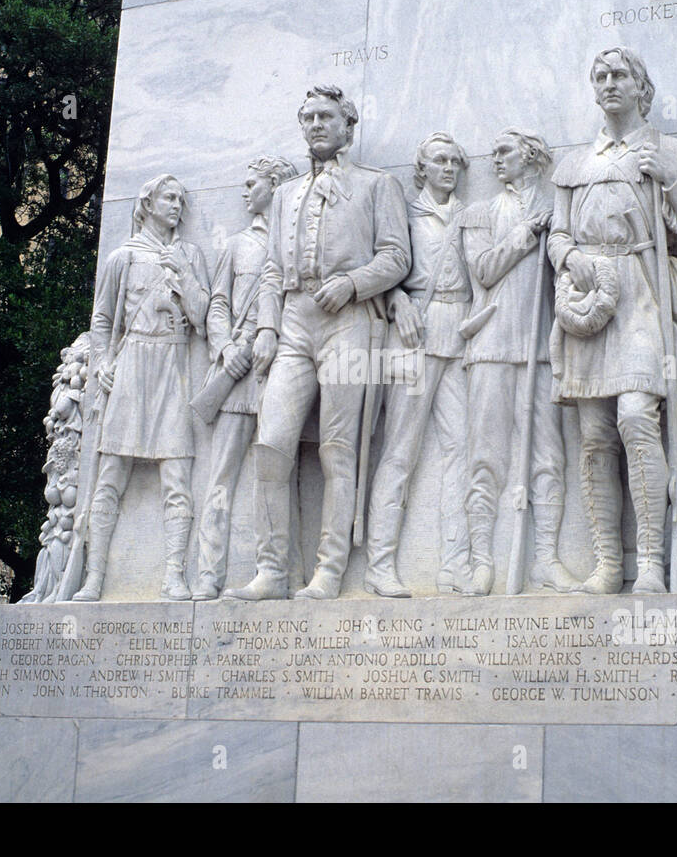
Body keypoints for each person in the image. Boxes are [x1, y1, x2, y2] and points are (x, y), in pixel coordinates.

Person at [224, 85, 410, 601]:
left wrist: (353, 282)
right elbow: (271, 270)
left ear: (348, 124)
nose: (315, 125)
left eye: (325, 116)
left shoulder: (378, 185)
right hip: (294, 323)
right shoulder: (285, 195)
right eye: (307, 117)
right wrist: (266, 326)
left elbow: (396, 257)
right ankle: (271, 569)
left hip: (349, 321)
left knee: (338, 448)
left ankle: (328, 570)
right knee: (272, 443)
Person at [547, 46, 677, 595]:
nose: (609, 83)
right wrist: (571, 260)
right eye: (600, 76)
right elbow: (558, 233)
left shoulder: (674, 153)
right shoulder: (576, 163)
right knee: (594, 435)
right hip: (589, 292)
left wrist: (667, 181)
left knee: (637, 418)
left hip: (644, 291)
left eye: (620, 75)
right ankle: (604, 564)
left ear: (642, 86)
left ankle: (652, 561)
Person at [75, 174, 209, 602]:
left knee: (177, 476)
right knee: (110, 476)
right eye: (169, 198)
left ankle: (174, 574)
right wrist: (103, 364)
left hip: (172, 365)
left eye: (181, 200)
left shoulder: (188, 254)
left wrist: (184, 275)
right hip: (132, 363)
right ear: (148, 202)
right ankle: (94, 577)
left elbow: (203, 315)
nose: (177, 206)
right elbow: (101, 320)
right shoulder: (123, 257)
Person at [459, 127, 577, 596]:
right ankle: (481, 560)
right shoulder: (480, 212)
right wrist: (527, 234)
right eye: (493, 152)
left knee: (549, 458)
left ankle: (546, 557)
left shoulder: (558, 208)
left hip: (541, 349)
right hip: (490, 345)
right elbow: (484, 270)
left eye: (504, 151)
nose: (495, 159)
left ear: (531, 157)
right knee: (485, 458)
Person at [362, 133, 471, 597]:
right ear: (421, 168)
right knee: (400, 452)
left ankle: (455, 563)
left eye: (453, 161)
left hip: (460, 332)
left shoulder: (470, 215)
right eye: (438, 161)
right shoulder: (404, 214)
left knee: (462, 450)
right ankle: (379, 563)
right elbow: (379, 266)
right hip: (414, 335)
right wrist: (396, 297)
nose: (448, 168)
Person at [190, 155, 297, 600]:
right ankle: (207, 575)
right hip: (235, 379)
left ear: (275, 186)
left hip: (278, 373)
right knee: (220, 478)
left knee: (276, 477)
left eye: (252, 183)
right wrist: (226, 349)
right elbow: (218, 305)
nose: (244, 190)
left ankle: (274, 573)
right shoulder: (237, 245)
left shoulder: (295, 244)